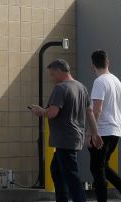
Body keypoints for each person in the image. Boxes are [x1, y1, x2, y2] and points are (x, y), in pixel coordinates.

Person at [31, 59, 103, 202]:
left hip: (64, 139)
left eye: (52, 74)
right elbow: (89, 112)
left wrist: (40, 111)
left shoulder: (61, 88)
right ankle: (62, 199)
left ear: (59, 71)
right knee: (56, 170)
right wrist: (95, 133)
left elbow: (52, 112)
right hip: (75, 137)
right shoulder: (81, 87)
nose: (52, 78)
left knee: (71, 175)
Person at [88, 50, 121, 202]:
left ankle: (105, 199)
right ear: (108, 62)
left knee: (96, 169)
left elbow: (97, 109)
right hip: (115, 130)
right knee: (102, 165)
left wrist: (91, 132)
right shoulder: (116, 81)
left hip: (102, 130)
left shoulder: (100, 82)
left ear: (93, 65)